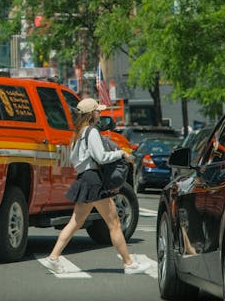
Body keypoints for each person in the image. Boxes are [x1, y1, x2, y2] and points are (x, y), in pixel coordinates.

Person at [42, 97, 150, 275]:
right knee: (114, 223)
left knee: (75, 222)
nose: (100, 113)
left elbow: (74, 161)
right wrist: (120, 153)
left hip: (84, 177)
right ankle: (129, 264)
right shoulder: (91, 132)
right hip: (93, 180)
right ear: (92, 114)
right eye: (98, 111)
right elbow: (100, 157)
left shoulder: (78, 133)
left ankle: (53, 258)